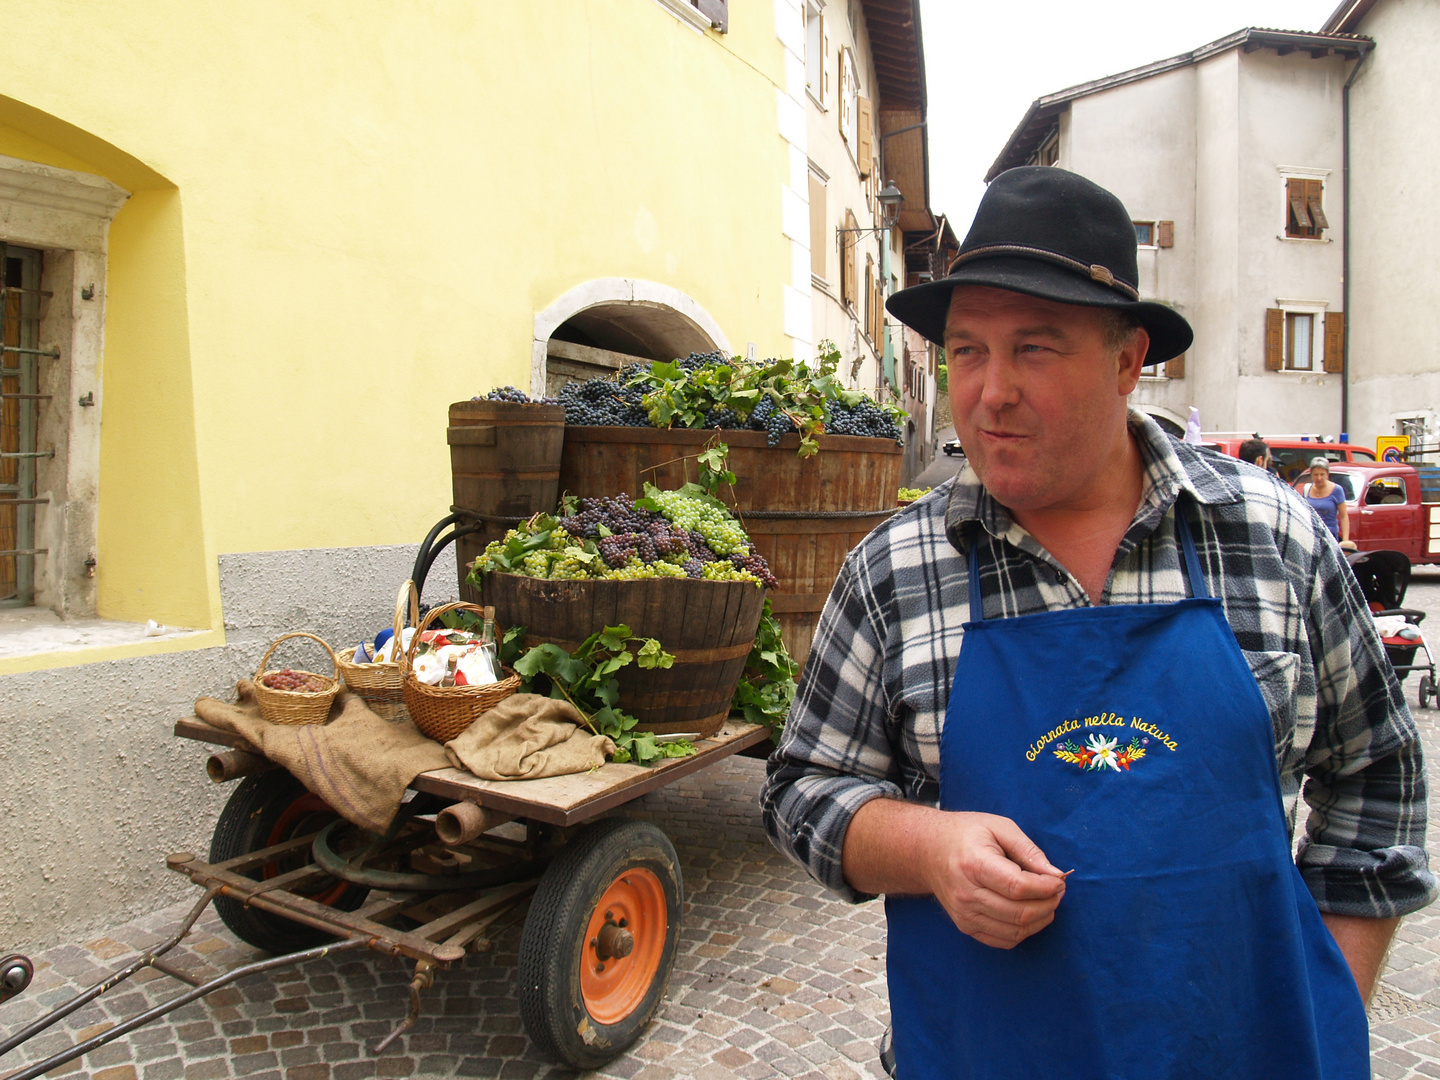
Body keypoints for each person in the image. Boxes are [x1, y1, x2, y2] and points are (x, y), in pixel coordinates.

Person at [760, 166, 1432, 1079]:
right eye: (967, 351)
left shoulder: (1272, 537)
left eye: (1035, 348)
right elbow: (801, 788)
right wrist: (926, 846)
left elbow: (1375, 776)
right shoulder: (893, 571)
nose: (991, 392)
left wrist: (1324, 1003)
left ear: (1127, 359)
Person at [1304, 456, 1351, 544]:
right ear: (1311, 475)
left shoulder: (1337, 490)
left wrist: (1345, 540)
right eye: (1316, 474)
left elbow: (1344, 516)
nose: (1319, 478)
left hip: (1330, 536)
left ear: (1327, 475)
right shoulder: (1307, 489)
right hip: (1311, 536)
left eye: (1322, 474)